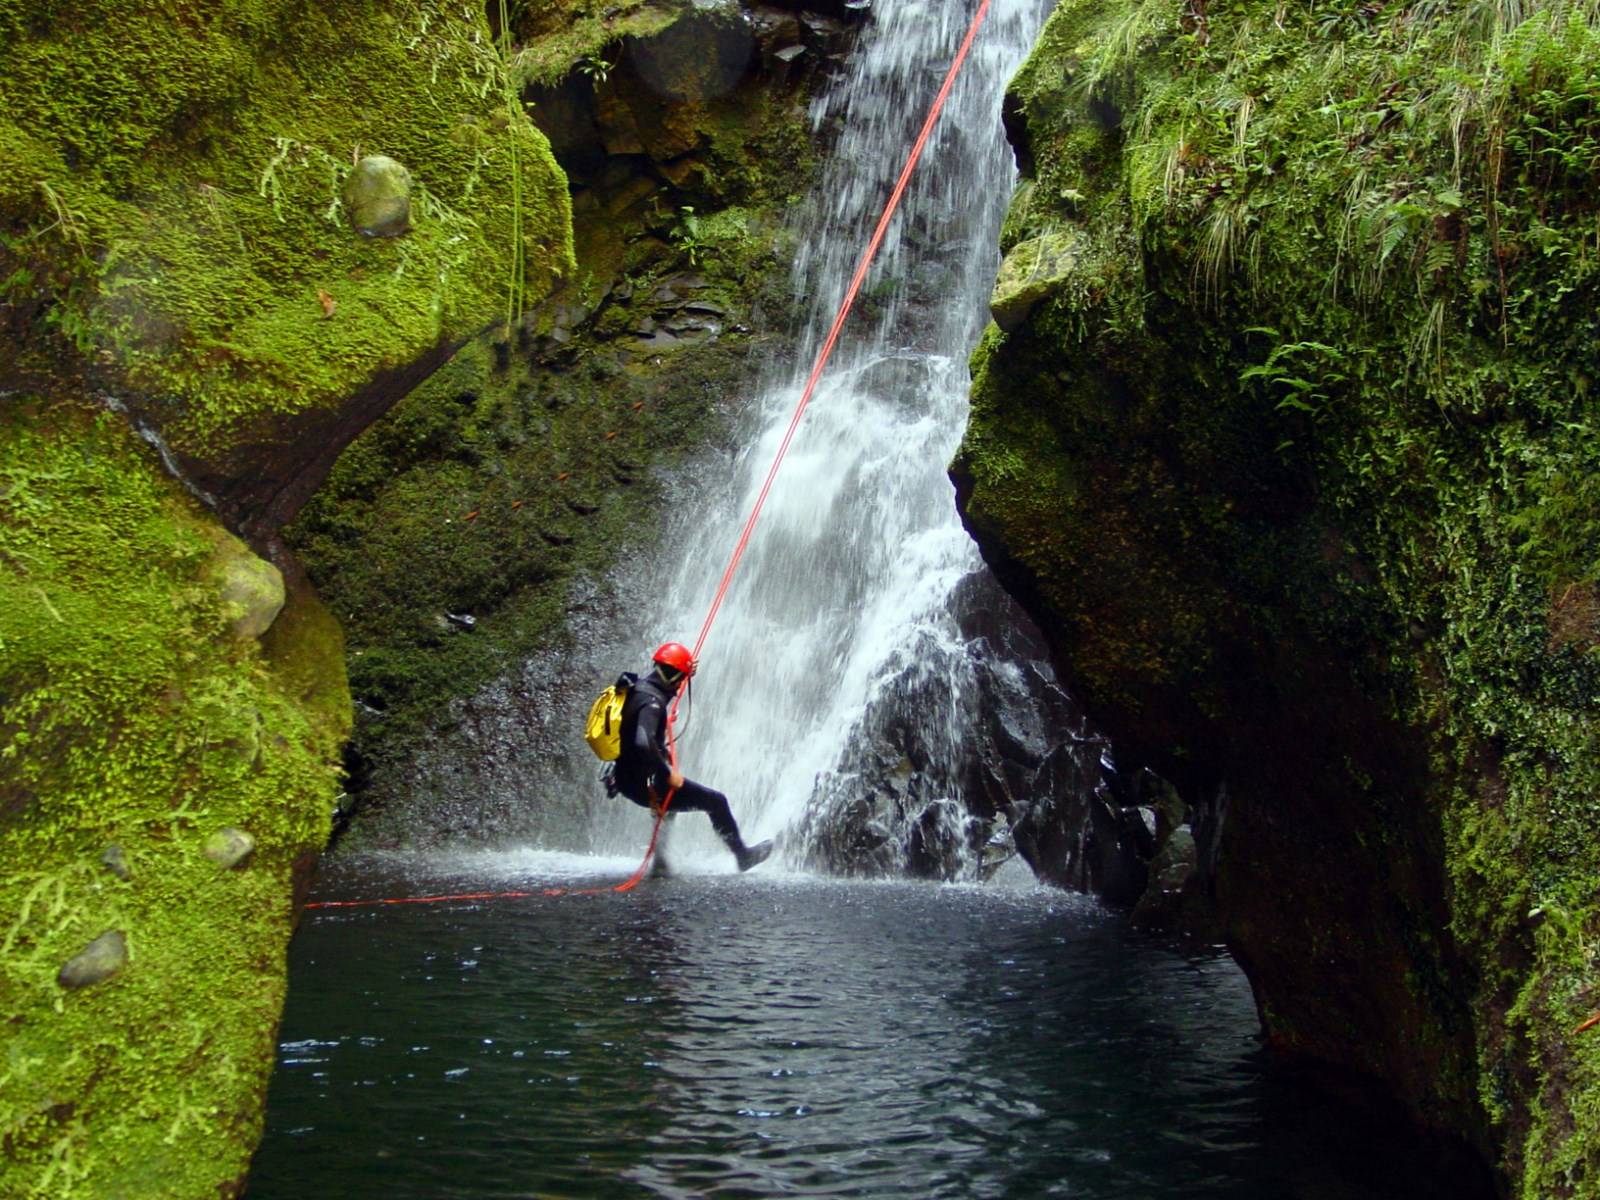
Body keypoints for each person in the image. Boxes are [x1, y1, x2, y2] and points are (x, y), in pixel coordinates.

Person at [610, 642, 772, 872]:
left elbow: (637, 732)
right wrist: (667, 774)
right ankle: (743, 856)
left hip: (625, 777)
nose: (679, 687)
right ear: (672, 676)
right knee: (716, 802)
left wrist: (684, 668)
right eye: (680, 680)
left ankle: (660, 862)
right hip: (642, 783)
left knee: (671, 803)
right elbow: (642, 742)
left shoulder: (638, 687)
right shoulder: (652, 703)